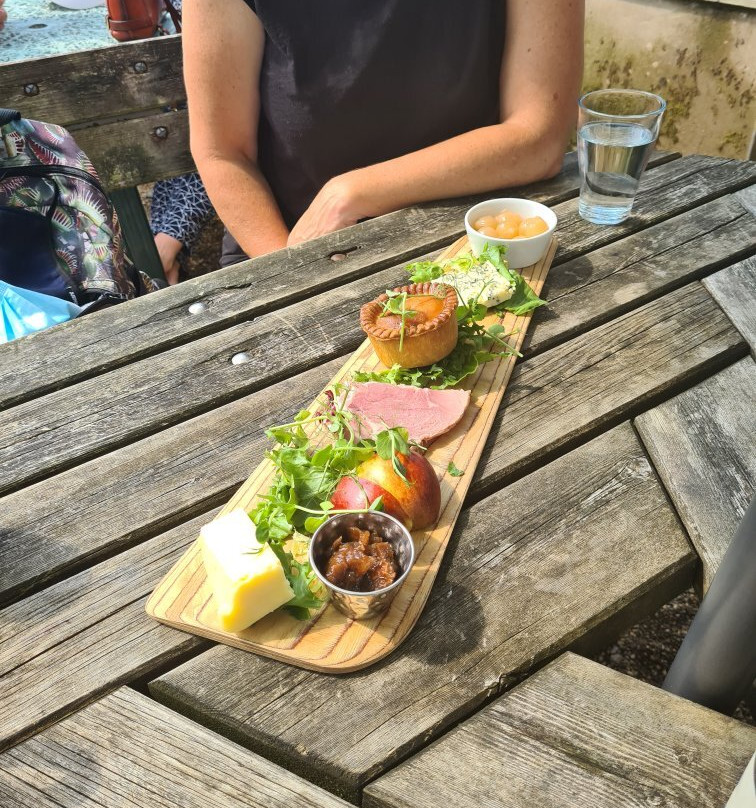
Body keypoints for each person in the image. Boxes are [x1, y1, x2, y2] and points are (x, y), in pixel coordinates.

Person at [182, 0, 584, 268]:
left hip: (473, 242)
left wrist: (351, 192)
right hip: (290, 246)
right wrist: (293, 270)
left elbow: (540, 137)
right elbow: (223, 153)